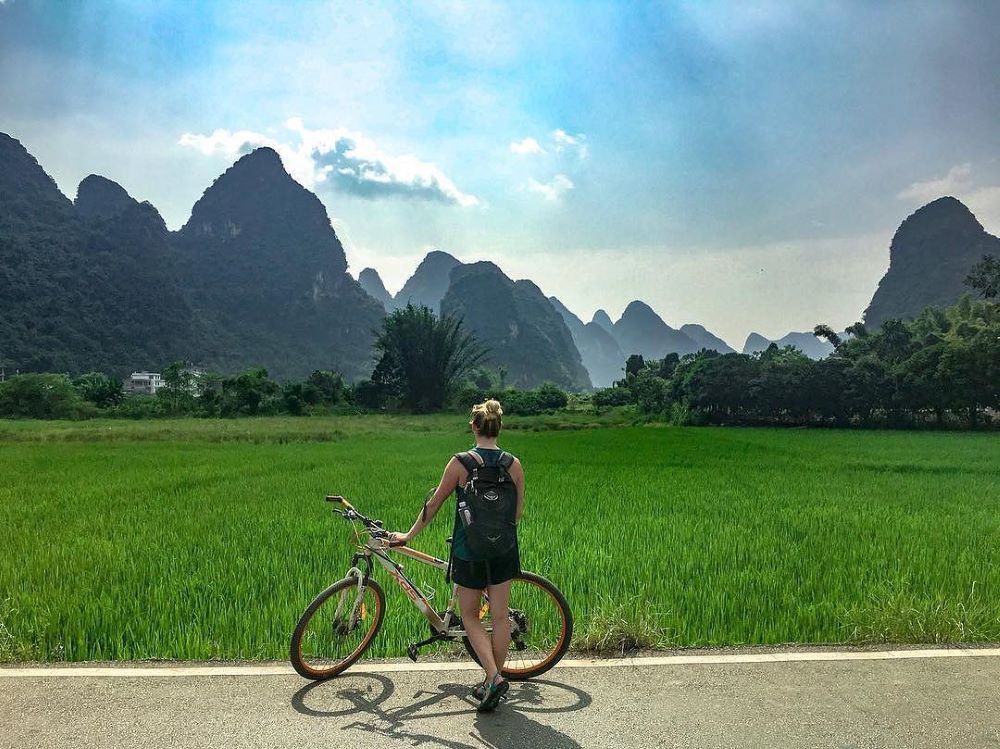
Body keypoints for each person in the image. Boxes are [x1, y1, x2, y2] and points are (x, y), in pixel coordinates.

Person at [388, 399, 525, 712]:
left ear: (474, 427)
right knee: (501, 617)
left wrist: (407, 536)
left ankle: (492, 677)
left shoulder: (461, 463)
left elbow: (434, 504)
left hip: (469, 551)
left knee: (469, 616)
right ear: (498, 428)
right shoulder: (514, 465)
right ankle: (495, 679)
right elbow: (516, 513)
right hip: (503, 550)